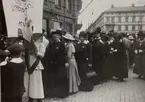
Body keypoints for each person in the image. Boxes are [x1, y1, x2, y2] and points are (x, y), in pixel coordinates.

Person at [28, 33, 48, 102]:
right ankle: (31, 97)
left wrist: (36, 53)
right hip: (29, 64)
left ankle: (39, 98)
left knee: (37, 83)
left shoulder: (42, 43)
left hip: (36, 65)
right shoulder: (29, 42)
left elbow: (42, 56)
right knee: (31, 83)